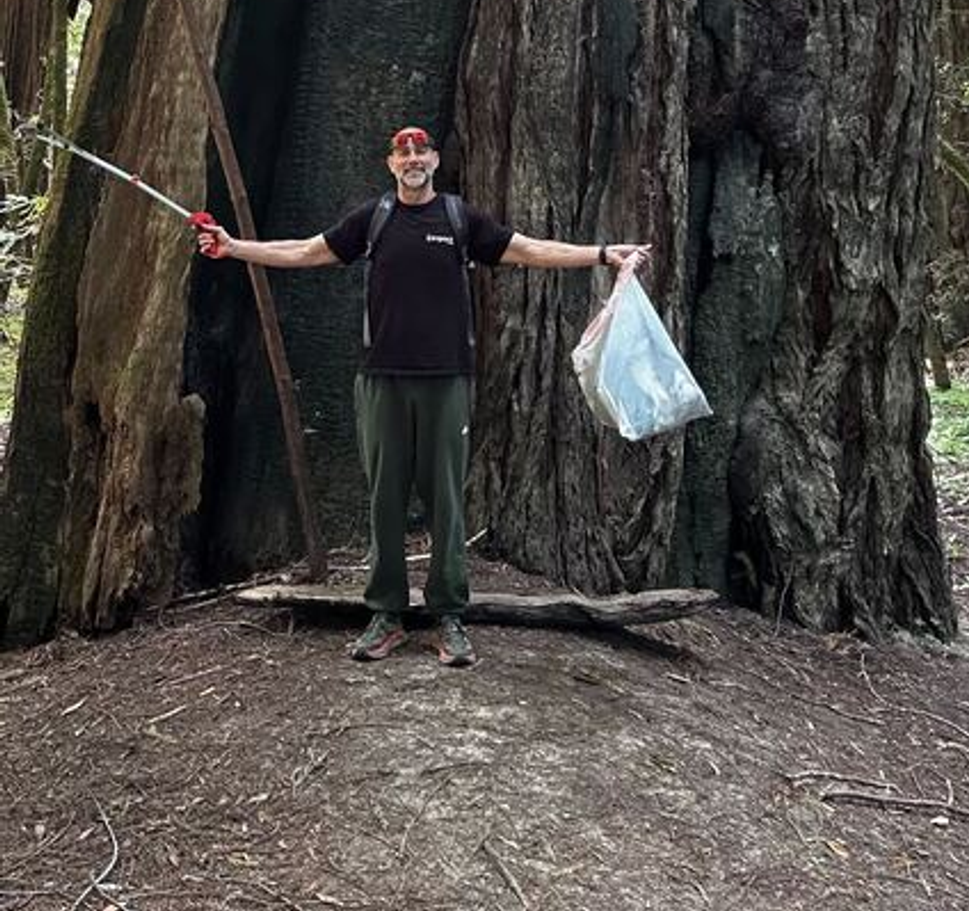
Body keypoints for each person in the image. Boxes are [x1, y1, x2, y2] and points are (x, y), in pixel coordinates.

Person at [197, 123, 649, 667]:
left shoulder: (459, 219)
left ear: (435, 160)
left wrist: (603, 254)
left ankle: (449, 618)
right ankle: (385, 614)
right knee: (385, 498)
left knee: (446, 502)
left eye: (421, 150)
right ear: (391, 164)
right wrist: (233, 247)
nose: (412, 158)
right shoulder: (374, 219)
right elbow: (305, 251)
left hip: (447, 381)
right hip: (381, 379)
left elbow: (529, 250)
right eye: (402, 152)